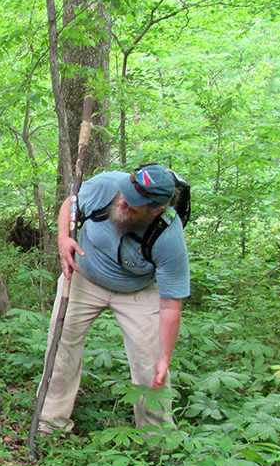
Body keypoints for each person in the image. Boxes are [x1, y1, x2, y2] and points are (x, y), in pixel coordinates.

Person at [37, 165, 190, 433]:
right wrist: (63, 238)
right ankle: (49, 424)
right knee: (61, 349)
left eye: (135, 203)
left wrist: (164, 357)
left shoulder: (169, 236)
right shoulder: (107, 186)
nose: (125, 202)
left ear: (156, 210)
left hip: (138, 291)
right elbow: (70, 204)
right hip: (84, 276)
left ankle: (158, 438)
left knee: (151, 367)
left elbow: (170, 303)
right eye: (127, 193)